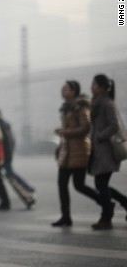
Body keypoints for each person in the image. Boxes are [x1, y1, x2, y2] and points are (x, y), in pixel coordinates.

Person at [52, 80, 99, 227]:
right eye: (62, 88)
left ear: (74, 91)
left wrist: (64, 132)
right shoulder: (66, 108)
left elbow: (85, 128)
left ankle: (105, 202)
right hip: (67, 152)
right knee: (61, 184)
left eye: (65, 89)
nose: (62, 91)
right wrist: (60, 146)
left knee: (79, 185)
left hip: (79, 150)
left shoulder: (81, 106)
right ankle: (65, 216)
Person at [88, 74, 127, 230]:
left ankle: (106, 217)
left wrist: (99, 136)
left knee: (101, 184)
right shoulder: (97, 103)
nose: (91, 86)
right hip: (99, 151)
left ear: (101, 87)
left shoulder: (107, 104)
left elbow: (114, 126)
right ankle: (122, 204)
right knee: (101, 184)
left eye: (94, 84)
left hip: (107, 151)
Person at [0, 109, 36, 208]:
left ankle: (27, 188)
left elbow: (6, 142)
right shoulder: (4, 124)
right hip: (6, 154)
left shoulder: (1, 125)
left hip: (4, 155)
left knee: (9, 173)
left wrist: (5, 155)